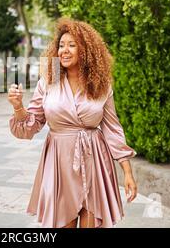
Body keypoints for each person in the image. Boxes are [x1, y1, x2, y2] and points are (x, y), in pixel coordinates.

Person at [8, 17, 138, 228]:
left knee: (92, 222)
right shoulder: (48, 82)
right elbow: (31, 126)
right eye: (61, 45)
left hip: (94, 159)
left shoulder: (101, 86)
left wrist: (128, 172)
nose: (64, 50)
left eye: (71, 45)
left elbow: (113, 129)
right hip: (59, 162)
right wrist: (18, 107)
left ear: (85, 50)